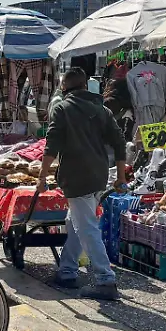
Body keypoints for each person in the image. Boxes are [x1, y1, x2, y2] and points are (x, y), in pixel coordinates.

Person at [38, 68, 127, 301]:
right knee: (74, 220)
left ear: (64, 87)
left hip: (76, 177)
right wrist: (120, 176)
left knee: (86, 226)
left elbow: (52, 144)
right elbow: (119, 143)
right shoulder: (102, 110)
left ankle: (105, 279)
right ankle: (67, 271)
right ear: (86, 86)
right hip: (98, 175)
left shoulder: (62, 108)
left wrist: (41, 176)